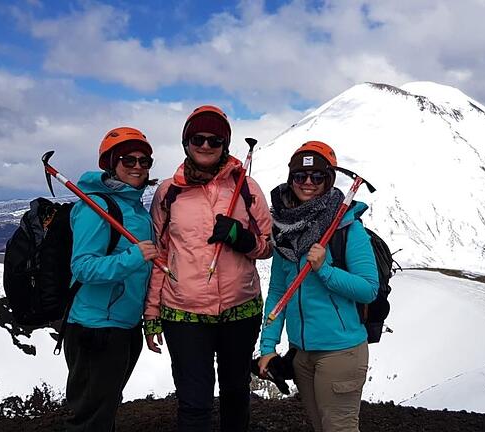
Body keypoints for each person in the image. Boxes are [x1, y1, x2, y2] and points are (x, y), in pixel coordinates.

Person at [143, 105, 272, 432]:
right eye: (197, 138)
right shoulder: (168, 192)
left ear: (224, 145)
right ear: (186, 142)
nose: (205, 145)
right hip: (183, 313)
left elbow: (268, 245)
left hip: (240, 310)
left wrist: (243, 239)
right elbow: (160, 253)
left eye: (214, 140)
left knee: (235, 392)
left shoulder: (246, 186)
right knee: (194, 402)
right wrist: (151, 313)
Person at [259, 141, 379, 432]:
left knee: (338, 428)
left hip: (340, 353)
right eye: (300, 176)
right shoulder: (285, 230)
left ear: (329, 180)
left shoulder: (347, 228)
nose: (308, 183)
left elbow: (368, 289)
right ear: (291, 179)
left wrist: (324, 270)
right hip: (301, 353)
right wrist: (267, 346)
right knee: (320, 426)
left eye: (317, 177)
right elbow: (278, 293)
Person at [65, 126, 158, 432]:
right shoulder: (97, 207)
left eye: (144, 161)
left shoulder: (132, 206)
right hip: (96, 329)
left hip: (122, 326)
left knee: (103, 408)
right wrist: (133, 257)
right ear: (111, 163)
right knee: (91, 418)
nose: (137, 167)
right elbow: (83, 267)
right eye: (128, 160)